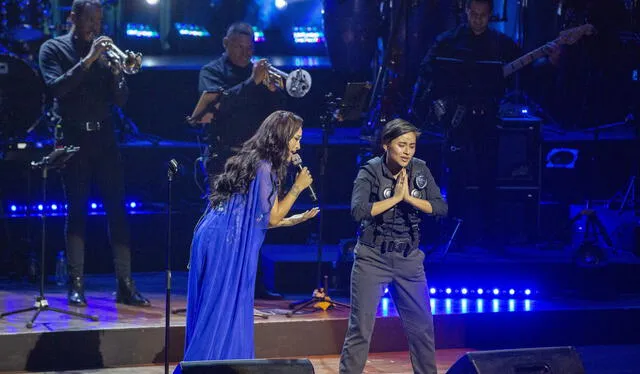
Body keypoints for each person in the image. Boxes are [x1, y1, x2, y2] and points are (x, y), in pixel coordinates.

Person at [179, 110, 319, 365]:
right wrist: (298, 187)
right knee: (221, 308)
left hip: (216, 236)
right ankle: (206, 366)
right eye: (296, 139)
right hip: (225, 243)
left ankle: (222, 364)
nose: (299, 146)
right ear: (281, 137)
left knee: (222, 307)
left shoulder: (256, 160)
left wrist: (295, 220)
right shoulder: (265, 168)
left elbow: (252, 219)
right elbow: (272, 218)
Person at [416, 0, 559, 247]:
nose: (478, 19)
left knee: (488, 176)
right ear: (466, 12)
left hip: (487, 118)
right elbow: (427, 73)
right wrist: (437, 105)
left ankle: (490, 236)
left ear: (490, 15)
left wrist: (549, 61)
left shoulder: (501, 44)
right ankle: (455, 236)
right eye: (474, 13)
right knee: (457, 178)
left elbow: (528, 74)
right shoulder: (447, 42)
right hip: (457, 119)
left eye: (483, 15)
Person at [38, 0, 149, 306]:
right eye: (89, 21)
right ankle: (76, 285)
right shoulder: (53, 49)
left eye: (98, 22)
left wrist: (116, 74)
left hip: (104, 137)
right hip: (73, 137)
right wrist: (88, 60)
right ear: (73, 17)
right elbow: (56, 89)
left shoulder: (106, 54)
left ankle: (126, 285)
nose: (94, 28)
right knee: (77, 211)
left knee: (118, 210)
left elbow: (122, 101)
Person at [339, 119, 448, 374]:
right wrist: (395, 199)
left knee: (422, 328)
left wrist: (409, 198)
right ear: (386, 144)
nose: (408, 151)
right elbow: (358, 211)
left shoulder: (420, 170)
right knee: (360, 330)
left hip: (409, 260)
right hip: (372, 258)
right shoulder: (370, 171)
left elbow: (440, 208)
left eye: (412, 145)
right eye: (402, 145)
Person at [198, 21, 287, 299]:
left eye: (249, 48)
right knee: (224, 223)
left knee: (257, 223)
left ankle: (255, 285)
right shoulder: (211, 72)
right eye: (238, 46)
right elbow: (221, 107)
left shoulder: (259, 75)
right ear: (225, 44)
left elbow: (273, 117)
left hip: (255, 158)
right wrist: (252, 83)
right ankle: (218, 286)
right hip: (223, 157)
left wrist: (275, 93)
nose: (244, 52)